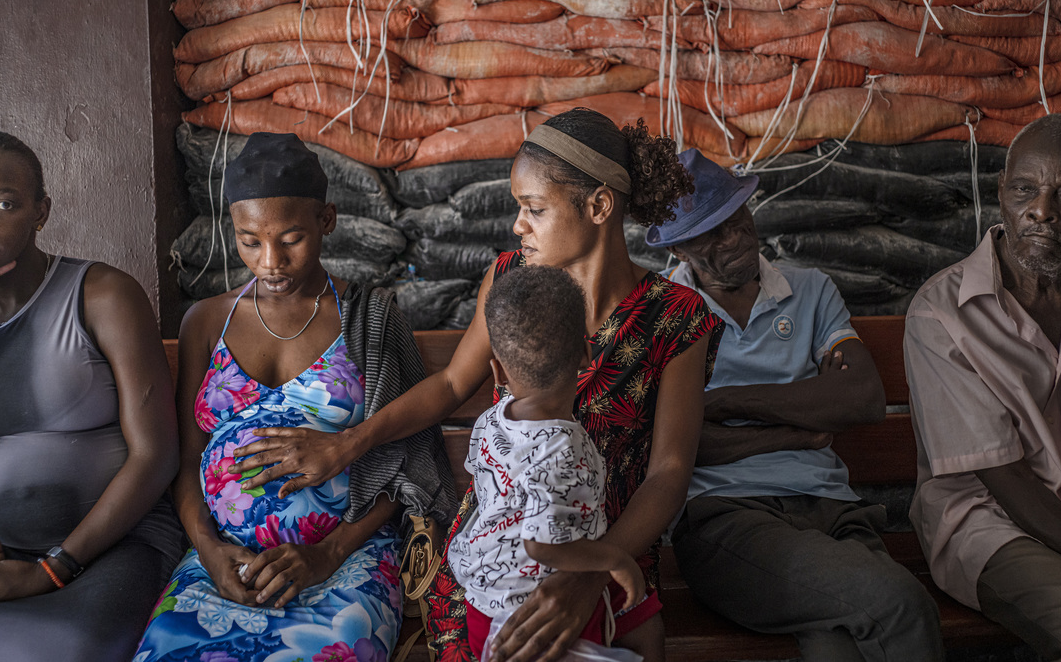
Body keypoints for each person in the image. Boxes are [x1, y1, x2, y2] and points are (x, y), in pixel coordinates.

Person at [228, 108, 724, 662]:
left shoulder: (676, 317)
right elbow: (449, 385)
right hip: (497, 549)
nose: (518, 224)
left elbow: (669, 473)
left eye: (534, 209)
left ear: (599, 206)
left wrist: (592, 568)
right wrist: (350, 443)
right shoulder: (510, 278)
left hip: (611, 541)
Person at [135, 132, 456, 662]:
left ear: (326, 221)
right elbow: (188, 458)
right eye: (249, 240)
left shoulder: (369, 319)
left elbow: (406, 459)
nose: (270, 261)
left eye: (290, 238)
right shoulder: (206, 321)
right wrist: (210, 552)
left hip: (343, 558)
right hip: (225, 561)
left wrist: (326, 554)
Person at [652, 149, 943, 662]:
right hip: (729, 518)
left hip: (832, 509)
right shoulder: (664, 314)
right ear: (681, 250)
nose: (737, 237)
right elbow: (685, 447)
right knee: (898, 604)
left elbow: (863, 398)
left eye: (739, 217)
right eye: (713, 234)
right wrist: (800, 426)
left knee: (841, 648)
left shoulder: (810, 290)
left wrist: (721, 402)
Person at [905, 113, 1061, 661]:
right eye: (1024, 189)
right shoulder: (942, 312)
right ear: (1001, 192)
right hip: (990, 526)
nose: (1042, 210)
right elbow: (1006, 479)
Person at [0, 130, 184, 660]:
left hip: (115, 548)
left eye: (3, 203)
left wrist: (50, 568)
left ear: (41, 212)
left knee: (54, 651)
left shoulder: (102, 295)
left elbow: (157, 455)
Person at [449, 265, 647, 662]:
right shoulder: (563, 447)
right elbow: (541, 544)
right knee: (647, 621)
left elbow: (485, 479)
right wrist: (615, 558)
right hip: (530, 606)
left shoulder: (493, 419)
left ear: (498, 370)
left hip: (481, 601)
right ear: (586, 354)